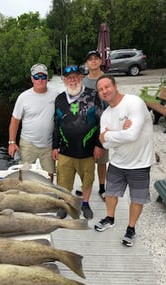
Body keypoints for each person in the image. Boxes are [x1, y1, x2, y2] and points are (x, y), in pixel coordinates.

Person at [95, 74, 155, 247]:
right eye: (100, 89)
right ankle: (110, 218)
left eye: (107, 87)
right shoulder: (106, 114)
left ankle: (131, 228)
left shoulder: (134, 103)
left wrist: (109, 134)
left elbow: (132, 134)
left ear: (115, 86)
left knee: (137, 198)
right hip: (118, 161)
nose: (104, 91)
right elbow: (105, 144)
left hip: (140, 162)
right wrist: (119, 133)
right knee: (110, 193)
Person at [52, 65, 104, 219]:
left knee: (87, 179)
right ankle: (66, 204)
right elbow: (56, 123)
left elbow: (102, 121)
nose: (72, 80)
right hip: (65, 150)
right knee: (63, 181)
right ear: (64, 81)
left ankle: (85, 204)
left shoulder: (94, 95)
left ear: (81, 78)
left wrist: (99, 145)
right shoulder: (60, 99)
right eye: (69, 77)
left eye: (75, 76)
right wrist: (55, 145)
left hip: (87, 151)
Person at [8, 63, 58, 181]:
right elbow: (15, 121)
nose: (40, 80)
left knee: (49, 175)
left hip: (48, 144)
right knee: (24, 175)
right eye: (36, 77)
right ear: (32, 78)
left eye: (43, 77)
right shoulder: (23, 97)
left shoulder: (56, 95)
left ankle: (47, 195)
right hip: (28, 144)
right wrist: (11, 142)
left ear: (47, 78)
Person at [76, 50, 109, 201]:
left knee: (101, 161)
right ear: (86, 63)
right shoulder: (83, 81)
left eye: (96, 58)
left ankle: (103, 188)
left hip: (104, 125)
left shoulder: (108, 79)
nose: (93, 61)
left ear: (100, 61)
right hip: (87, 126)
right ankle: (86, 187)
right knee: (85, 161)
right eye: (90, 59)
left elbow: (114, 101)